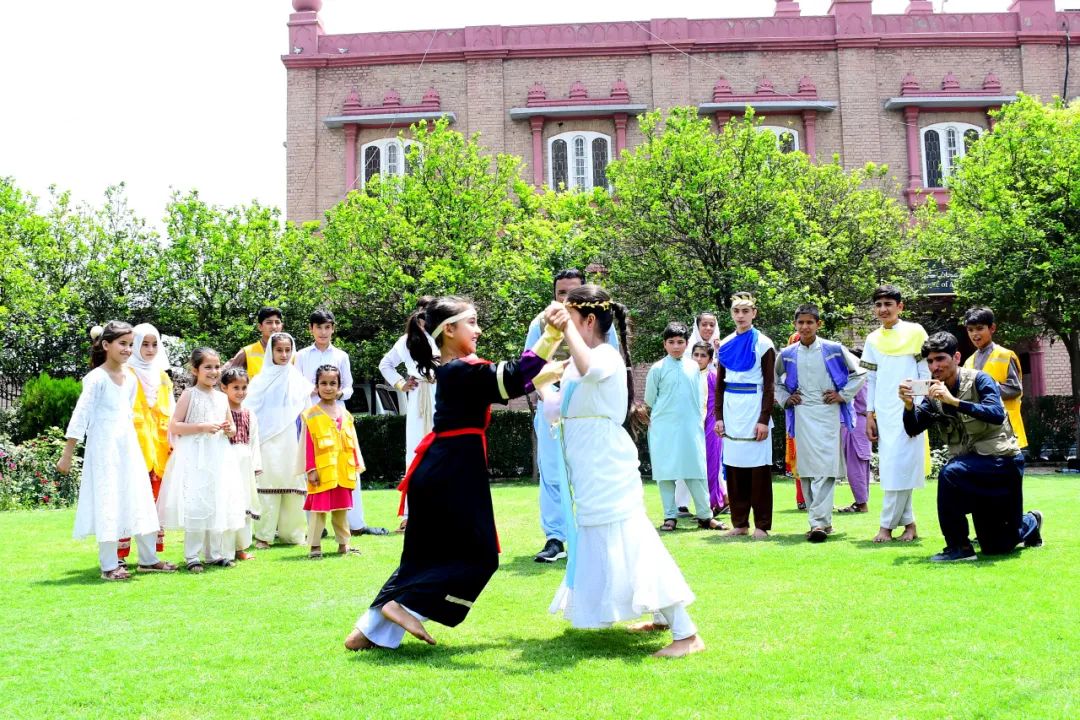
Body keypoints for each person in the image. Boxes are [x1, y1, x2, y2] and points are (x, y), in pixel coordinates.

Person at [344, 296, 564, 650]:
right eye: (471, 322)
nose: (479, 330)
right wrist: (552, 333)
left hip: (441, 468)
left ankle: (366, 634)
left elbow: (519, 379)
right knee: (480, 558)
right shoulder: (463, 369)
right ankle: (400, 606)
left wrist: (561, 367)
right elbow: (515, 375)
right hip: (452, 471)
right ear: (449, 330)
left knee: (424, 557)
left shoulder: (455, 371)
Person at [545, 286, 705, 658]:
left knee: (629, 536)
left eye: (572, 319)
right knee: (612, 533)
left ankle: (685, 632)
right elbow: (553, 383)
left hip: (604, 458)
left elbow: (588, 368)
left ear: (587, 320)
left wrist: (564, 330)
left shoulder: (605, 355)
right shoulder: (581, 357)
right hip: (588, 458)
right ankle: (663, 618)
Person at [899, 332, 1043, 561]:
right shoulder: (933, 394)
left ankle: (962, 547)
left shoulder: (980, 380)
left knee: (951, 473)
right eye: (930, 361)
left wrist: (954, 402)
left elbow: (996, 414)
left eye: (940, 359)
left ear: (956, 357)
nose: (935, 366)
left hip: (1001, 464)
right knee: (995, 546)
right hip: (971, 469)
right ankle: (1025, 524)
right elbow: (913, 428)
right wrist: (908, 406)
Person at [57, 322, 177, 580]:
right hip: (103, 448)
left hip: (128, 446)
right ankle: (109, 565)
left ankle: (148, 559)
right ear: (106, 345)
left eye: (130, 344)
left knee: (140, 497)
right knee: (108, 499)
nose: (127, 349)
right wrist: (67, 454)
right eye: (122, 343)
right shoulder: (96, 378)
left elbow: (128, 414)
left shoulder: (131, 378)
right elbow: (80, 416)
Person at [525, 269, 619, 563]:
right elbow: (531, 367)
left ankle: (591, 535)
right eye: (561, 293)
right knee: (552, 474)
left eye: (573, 293)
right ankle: (555, 537)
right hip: (553, 407)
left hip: (587, 411)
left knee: (589, 475)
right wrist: (551, 399)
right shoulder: (541, 323)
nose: (566, 299)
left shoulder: (601, 327)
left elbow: (602, 369)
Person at [775, 304, 867, 542]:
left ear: (818, 324)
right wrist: (786, 398)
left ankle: (818, 523)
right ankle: (820, 522)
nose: (805, 327)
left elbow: (860, 372)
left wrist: (842, 395)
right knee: (806, 470)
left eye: (810, 322)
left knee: (826, 468)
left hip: (828, 413)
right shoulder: (787, 353)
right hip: (802, 413)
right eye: (801, 322)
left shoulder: (833, 349)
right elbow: (774, 380)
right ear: (795, 324)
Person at [297, 308, 386, 537]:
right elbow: (295, 385)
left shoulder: (341, 356)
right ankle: (316, 528)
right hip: (312, 417)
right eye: (319, 327)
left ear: (333, 329)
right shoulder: (302, 356)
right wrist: (314, 391)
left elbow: (348, 386)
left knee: (347, 466)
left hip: (339, 417)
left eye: (327, 327)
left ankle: (356, 524)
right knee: (313, 469)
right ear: (311, 329)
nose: (323, 332)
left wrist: (337, 393)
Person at [158, 347, 247, 571]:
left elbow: (232, 428)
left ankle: (214, 553)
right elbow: (175, 426)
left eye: (216, 367)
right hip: (195, 455)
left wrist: (229, 429)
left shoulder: (222, 398)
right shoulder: (190, 394)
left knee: (217, 499)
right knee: (196, 503)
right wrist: (201, 427)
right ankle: (192, 555)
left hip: (218, 454)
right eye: (208, 367)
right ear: (195, 369)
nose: (213, 371)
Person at [862, 285, 929, 543]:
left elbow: (925, 373)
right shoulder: (872, 339)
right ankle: (910, 525)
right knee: (893, 468)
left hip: (910, 411)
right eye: (878, 305)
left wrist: (917, 406)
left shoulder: (916, 332)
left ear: (900, 306)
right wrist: (869, 414)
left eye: (888, 304)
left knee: (899, 467)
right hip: (884, 413)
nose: (883, 309)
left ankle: (886, 526)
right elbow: (871, 379)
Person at [645, 322, 724, 531]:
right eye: (671, 342)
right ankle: (669, 516)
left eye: (680, 342)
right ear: (664, 344)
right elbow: (650, 399)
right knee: (665, 473)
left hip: (691, 427)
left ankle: (705, 516)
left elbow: (699, 397)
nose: (676, 346)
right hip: (663, 427)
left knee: (696, 470)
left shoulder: (693, 367)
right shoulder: (657, 368)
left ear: (686, 343)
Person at [715, 292, 776, 539]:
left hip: (754, 406)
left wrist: (763, 419)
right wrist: (718, 416)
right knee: (734, 469)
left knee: (758, 470)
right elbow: (719, 384)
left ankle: (762, 525)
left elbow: (770, 385)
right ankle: (740, 523)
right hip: (731, 409)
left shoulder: (764, 344)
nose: (740, 316)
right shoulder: (725, 343)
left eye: (745, 311)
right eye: (736, 311)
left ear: (754, 313)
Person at [245, 333, 312, 548]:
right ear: (270, 352)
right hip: (267, 441)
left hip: (293, 440)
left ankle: (293, 535)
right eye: (279, 350)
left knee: (294, 485)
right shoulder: (259, 381)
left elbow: (308, 413)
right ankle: (263, 536)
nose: (284, 355)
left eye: (287, 350)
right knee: (267, 485)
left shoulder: (299, 381)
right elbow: (250, 411)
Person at [379, 296, 437, 535]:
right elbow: (385, 364)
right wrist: (401, 383)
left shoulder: (445, 336)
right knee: (415, 452)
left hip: (443, 395)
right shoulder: (406, 341)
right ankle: (411, 515)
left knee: (445, 449)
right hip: (419, 397)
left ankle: (444, 511)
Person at [120, 322, 173, 564]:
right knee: (126, 502)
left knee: (153, 504)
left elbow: (171, 410)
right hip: (132, 448)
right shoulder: (124, 374)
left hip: (159, 450)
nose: (150, 350)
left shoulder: (163, 377)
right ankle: (118, 556)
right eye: (145, 344)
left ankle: (148, 557)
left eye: (154, 345)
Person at [299, 365, 364, 559]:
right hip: (321, 472)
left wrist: (355, 467)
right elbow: (307, 446)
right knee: (318, 511)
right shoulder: (311, 414)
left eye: (333, 383)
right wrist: (311, 469)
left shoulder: (346, 415)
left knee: (342, 510)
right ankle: (314, 546)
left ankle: (344, 544)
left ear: (339, 386)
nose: (328, 388)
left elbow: (353, 445)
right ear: (316, 386)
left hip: (343, 471)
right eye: (323, 383)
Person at [962, 307, 1028, 450]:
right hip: (980, 431)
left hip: (1006, 429)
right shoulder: (968, 362)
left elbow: (1015, 389)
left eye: (980, 328)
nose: (975, 334)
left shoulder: (1005, 355)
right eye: (970, 330)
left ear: (992, 328)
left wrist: (984, 392)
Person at [221, 367, 262, 561]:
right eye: (235, 387)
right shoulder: (220, 411)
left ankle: (240, 548)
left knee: (245, 504)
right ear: (224, 388)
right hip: (226, 463)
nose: (240, 392)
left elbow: (254, 441)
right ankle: (224, 550)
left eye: (244, 387)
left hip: (245, 464)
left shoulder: (249, 413)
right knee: (228, 504)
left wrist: (256, 465)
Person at [691, 342, 727, 516]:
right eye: (696, 355)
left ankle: (714, 504)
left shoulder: (713, 377)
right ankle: (716, 501)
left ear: (710, 359)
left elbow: (722, 400)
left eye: (703, 355)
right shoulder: (688, 376)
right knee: (697, 468)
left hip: (712, 426)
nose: (699, 359)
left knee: (711, 466)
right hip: (692, 426)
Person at [837, 363, 872, 515]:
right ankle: (861, 502)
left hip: (854, 424)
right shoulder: (866, 378)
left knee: (855, 466)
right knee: (861, 465)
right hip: (861, 423)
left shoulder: (857, 379)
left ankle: (861, 503)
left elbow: (862, 403)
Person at [225, 306, 284, 378]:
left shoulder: (290, 354)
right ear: (260, 327)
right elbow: (227, 377)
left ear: (281, 326)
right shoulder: (247, 352)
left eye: (277, 322)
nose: (274, 326)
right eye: (269, 322)